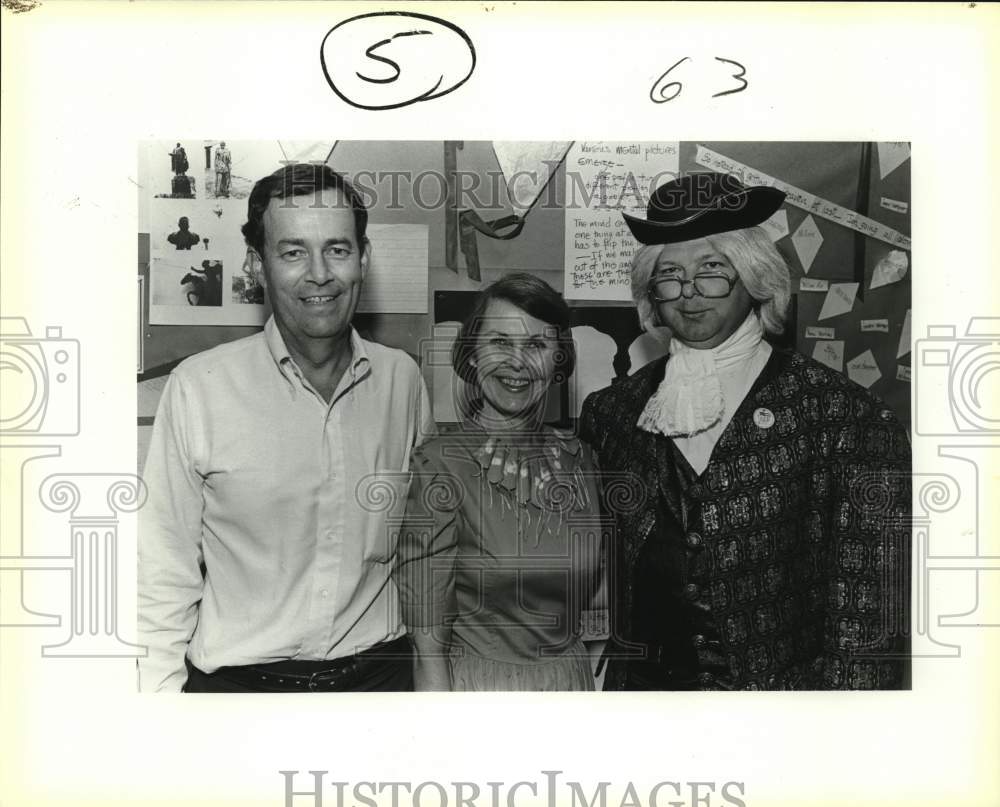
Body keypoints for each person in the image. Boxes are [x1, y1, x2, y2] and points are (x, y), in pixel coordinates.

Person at [580, 172, 911, 691]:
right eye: (669, 275)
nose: (689, 294)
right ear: (652, 293)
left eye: (712, 270)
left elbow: (867, 624)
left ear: (754, 277)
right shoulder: (612, 414)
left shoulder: (846, 418)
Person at [139, 163, 434, 692]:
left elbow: (424, 548)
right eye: (293, 252)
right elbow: (162, 571)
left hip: (379, 685)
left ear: (363, 259)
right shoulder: (200, 388)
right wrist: (160, 717)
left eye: (338, 249)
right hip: (239, 692)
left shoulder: (402, 381)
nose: (319, 273)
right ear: (257, 265)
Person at [394, 274, 606, 691]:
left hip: (570, 685)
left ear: (558, 362)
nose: (518, 363)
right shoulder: (441, 466)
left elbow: (596, 606)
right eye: (500, 343)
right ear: (472, 354)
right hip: (480, 693)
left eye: (537, 346)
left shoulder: (582, 461)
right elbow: (427, 647)